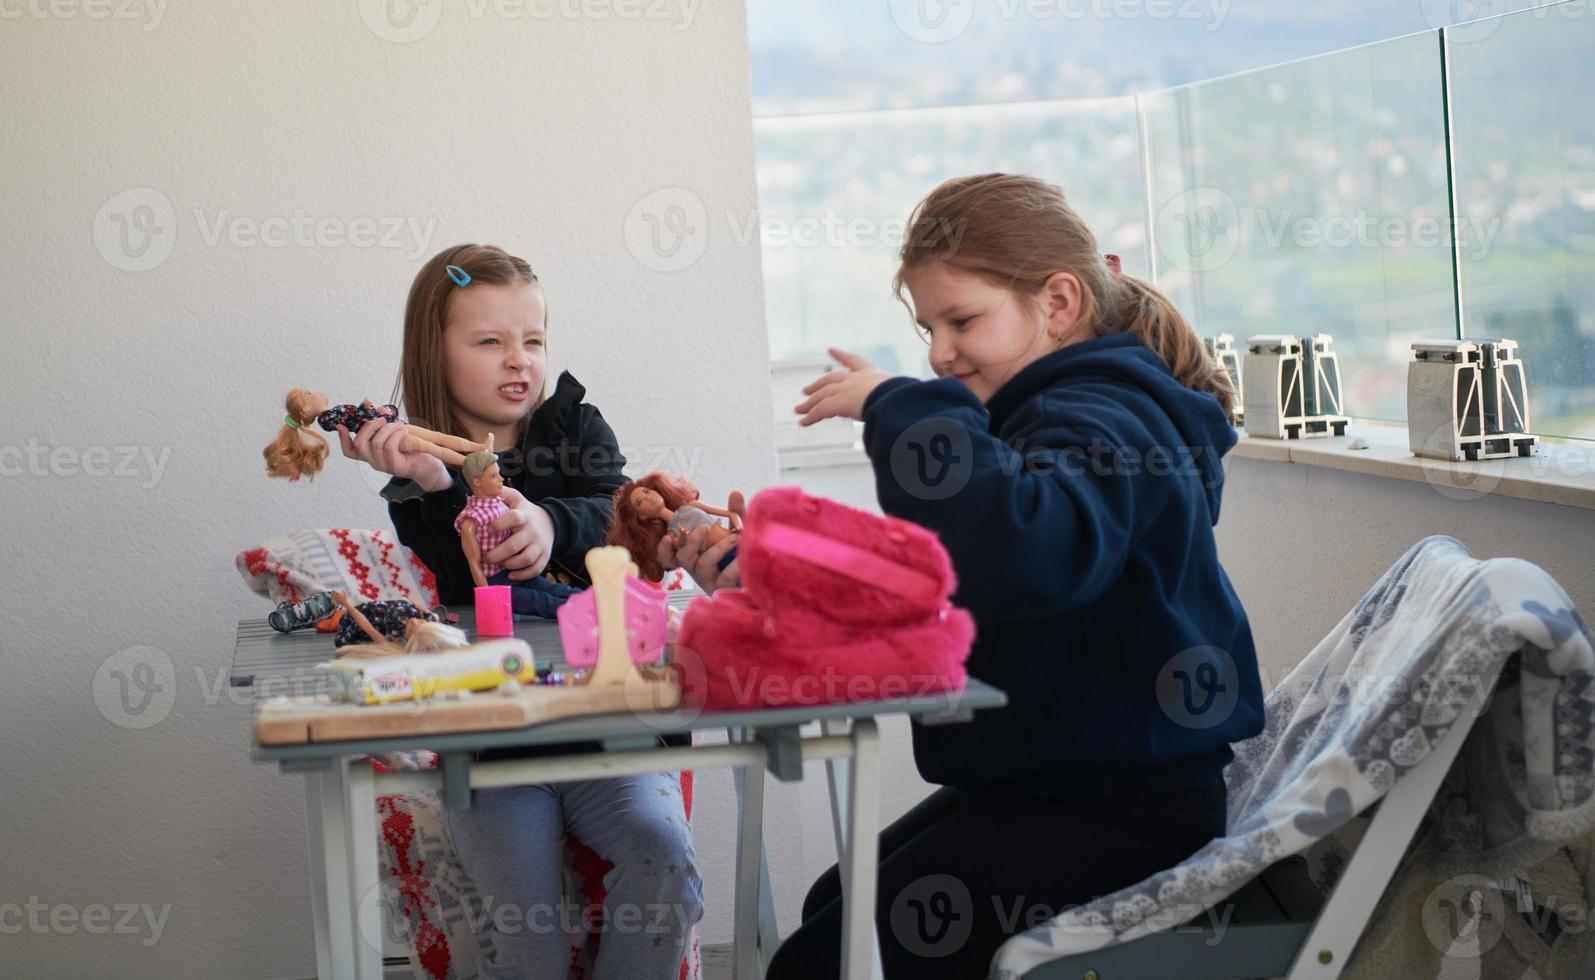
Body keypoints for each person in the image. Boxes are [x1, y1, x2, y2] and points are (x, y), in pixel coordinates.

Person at [755, 174, 1265, 978]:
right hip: (1057, 783)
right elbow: (960, 568)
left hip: (1120, 807)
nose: (938, 352)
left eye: (961, 321)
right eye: (927, 328)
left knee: (822, 963)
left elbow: (1018, 552)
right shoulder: (1054, 413)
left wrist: (900, 403)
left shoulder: (1102, 417)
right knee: (835, 905)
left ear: (1057, 303)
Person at [338, 243, 702, 979]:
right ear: (432, 355)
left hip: (608, 729)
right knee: (525, 937)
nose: (519, 361)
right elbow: (459, 583)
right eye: (489, 341)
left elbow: (616, 509)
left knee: (664, 862)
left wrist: (546, 522)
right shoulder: (417, 477)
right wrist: (434, 483)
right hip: (495, 745)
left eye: (532, 340)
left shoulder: (577, 425)